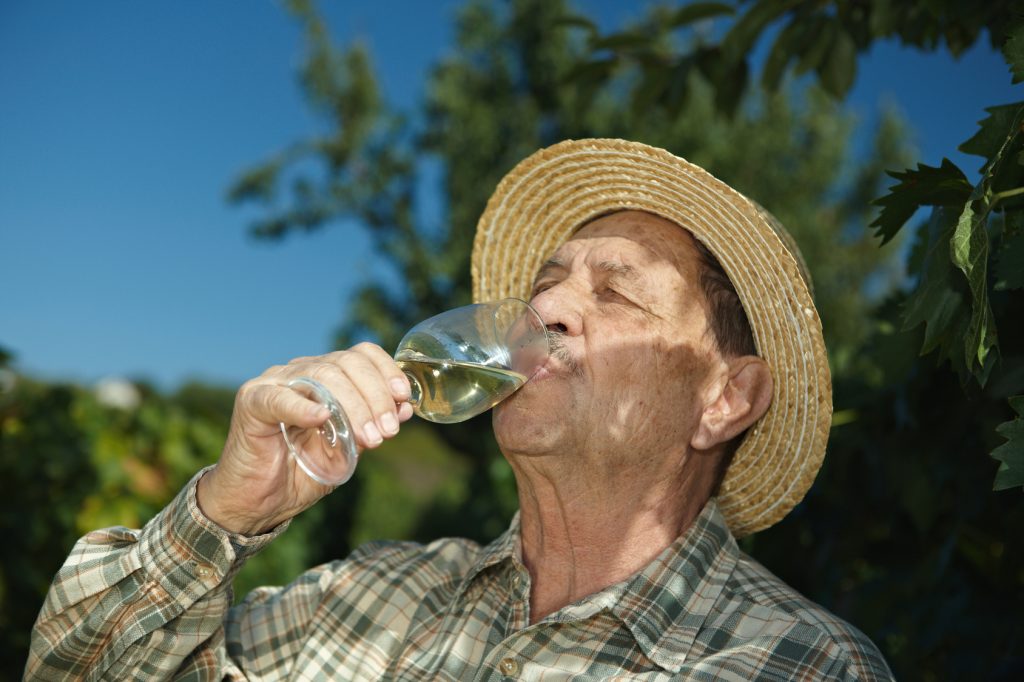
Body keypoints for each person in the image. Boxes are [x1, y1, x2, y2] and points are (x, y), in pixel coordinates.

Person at [26, 139, 893, 680]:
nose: (545, 310)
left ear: (725, 399)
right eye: (546, 284)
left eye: (616, 293)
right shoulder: (368, 594)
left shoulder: (800, 664)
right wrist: (226, 512)